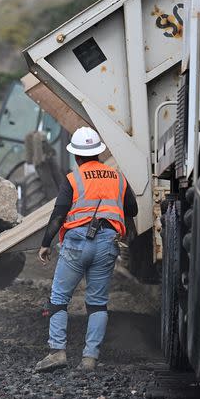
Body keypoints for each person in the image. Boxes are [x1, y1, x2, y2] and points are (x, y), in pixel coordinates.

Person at [34, 126, 138, 372]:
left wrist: (45, 244)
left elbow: (59, 215)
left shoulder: (73, 179)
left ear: (77, 156)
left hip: (77, 243)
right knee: (98, 303)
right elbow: (131, 209)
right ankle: (90, 358)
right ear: (100, 153)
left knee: (59, 298)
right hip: (107, 244)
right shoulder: (118, 177)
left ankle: (58, 352)